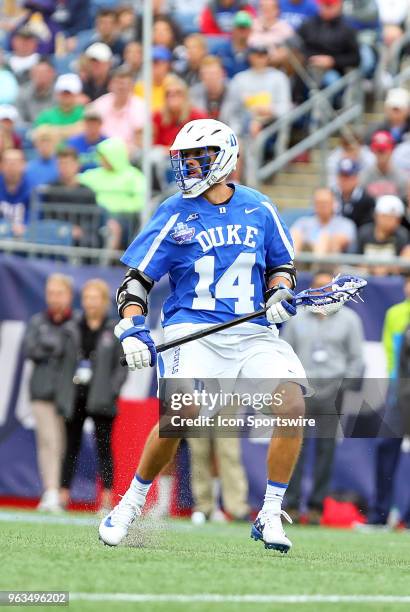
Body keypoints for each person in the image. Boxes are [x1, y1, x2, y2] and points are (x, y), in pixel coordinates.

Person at [98, 118, 308, 553]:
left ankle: (269, 511)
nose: (189, 166)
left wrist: (279, 294)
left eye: (199, 158)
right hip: (191, 329)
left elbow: (281, 269)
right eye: (186, 159)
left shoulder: (259, 207)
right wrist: (134, 329)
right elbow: (136, 281)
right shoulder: (174, 211)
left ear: (225, 158)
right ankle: (131, 501)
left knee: (292, 405)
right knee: (182, 413)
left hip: (251, 331)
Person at [282, 270, 364, 524]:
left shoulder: (350, 319)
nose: (323, 292)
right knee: (295, 448)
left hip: (333, 392)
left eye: (327, 287)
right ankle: (292, 506)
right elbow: (284, 352)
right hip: (302, 391)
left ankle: (317, 507)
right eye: (318, 287)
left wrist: (344, 387)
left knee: (326, 451)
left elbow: (356, 359)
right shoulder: (297, 320)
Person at [60, 279, 127, 514]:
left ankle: (107, 499)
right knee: (70, 446)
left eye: (95, 298)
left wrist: (111, 391)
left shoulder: (113, 328)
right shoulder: (73, 326)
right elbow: (64, 360)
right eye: (87, 298)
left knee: (104, 448)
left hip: (101, 397)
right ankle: (62, 496)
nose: (90, 303)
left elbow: (122, 365)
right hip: (75, 394)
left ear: (104, 300)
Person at [24, 274, 76, 512]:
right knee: (49, 441)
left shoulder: (74, 323)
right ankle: (51, 491)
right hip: (41, 391)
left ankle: (56, 491)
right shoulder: (38, 321)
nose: (54, 298)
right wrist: (53, 344)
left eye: (59, 293)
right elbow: (30, 348)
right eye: (50, 293)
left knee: (62, 444)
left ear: (68, 295)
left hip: (67, 393)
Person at [366, 275, 410, 527]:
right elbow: (389, 350)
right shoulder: (395, 313)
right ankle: (379, 515)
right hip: (399, 389)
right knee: (385, 447)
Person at [78, 137, 146, 249]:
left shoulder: (134, 176)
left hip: (124, 218)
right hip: (97, 215)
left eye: (105, 156)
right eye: (101, 156)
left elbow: (140, 200)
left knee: (113, 226)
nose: (102, 160)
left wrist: (117, 207)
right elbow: (75, 181)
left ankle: (108, 260)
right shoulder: (93, 174)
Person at [223, 43, 292, 139]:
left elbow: (285, 106)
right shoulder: (240, 78)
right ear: (250, 57)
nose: (259, 58)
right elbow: (231, 108)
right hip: (244, 123)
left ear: (267, 57)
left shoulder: (279, 77)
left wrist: (271, 110)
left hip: (272, 123)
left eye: (263, 55)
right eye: (256, 55)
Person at [291, 187, 357, 254]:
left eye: (326, 202)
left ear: (334, 204)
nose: (322, 206)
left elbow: (341, 241)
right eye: (319, 202)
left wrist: (321, 244)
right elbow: (293, 238)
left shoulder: (345, 224)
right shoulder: (303, 222)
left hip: (331, 261)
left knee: (325, 239)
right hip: (302, 259)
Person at [93, 67, 145, 152]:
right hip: (101, 150)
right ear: (110, 85)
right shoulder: (100, 103)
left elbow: (140, 138)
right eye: (117, 83)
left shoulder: (140, 106)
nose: (121, 87)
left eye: (125, 83)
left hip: (129, 152)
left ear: (132, 86)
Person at [356, 195, 410, 275]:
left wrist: (387, 269)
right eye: (387, 217)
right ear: (376, 215)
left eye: (396, 218)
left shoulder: (402, 235)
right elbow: (354, 259)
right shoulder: (364, 233)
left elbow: (404, 262)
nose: (392, 222)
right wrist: (372, 269)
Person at [34, 73, 85, 142]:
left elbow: (85, 130)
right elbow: (39, 133)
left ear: (77, 93)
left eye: (69, 93)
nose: (66, 96)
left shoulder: (85, 112)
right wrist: (73, 129)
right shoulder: (46, 115)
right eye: (63, 93)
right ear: (57, 93)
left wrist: (52, 130)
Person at [361, 130, 409, 202]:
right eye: (378, 150)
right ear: (373, 151)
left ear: (391, 150)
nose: (381, 154)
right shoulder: (363, 176)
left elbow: (405, 203)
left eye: (384, 150)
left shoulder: (402, 177)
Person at [333, 158, 375, 229]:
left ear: (356, 178)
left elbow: (368, 226)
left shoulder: (367, 200)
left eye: (348, 176)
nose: (344, 180)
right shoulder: (332, 196)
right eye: (341, 176)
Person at [66, 105, 107, 171]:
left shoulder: (108, 143)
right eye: (89, 122)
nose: (92, 126)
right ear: (84, 123)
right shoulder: (73, 143)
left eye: (95, 122)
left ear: (100, 123)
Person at [189, 55, 230, 121]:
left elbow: (237, 123)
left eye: (213, 73)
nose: (210, 78)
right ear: (201, 76)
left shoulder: (234, 92)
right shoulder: (193, 94)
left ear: (222, 73)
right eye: (206, 74)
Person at [0, 148, 30, 236]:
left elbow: (35, 218)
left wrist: (26, 227)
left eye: (15, 162)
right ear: (1, 165)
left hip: (24, 241)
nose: (11, 165)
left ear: (24, 165)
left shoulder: (32, 190)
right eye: (7, 162)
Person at [17, 58, 55, 124]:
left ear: (52, 74)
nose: (41, 76)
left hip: (54, 130)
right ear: (31, 75)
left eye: (45, 73)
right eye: (37, 73)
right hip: (30, 129)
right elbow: (19, 118)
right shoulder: (23, 93)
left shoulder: (59, 93)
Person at [25, 126, 59, 191]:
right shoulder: (28, 168)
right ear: (35, 144)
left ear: (55, 143)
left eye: (48, 141)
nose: (45, 145)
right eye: (41, 142)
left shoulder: (62, 166)